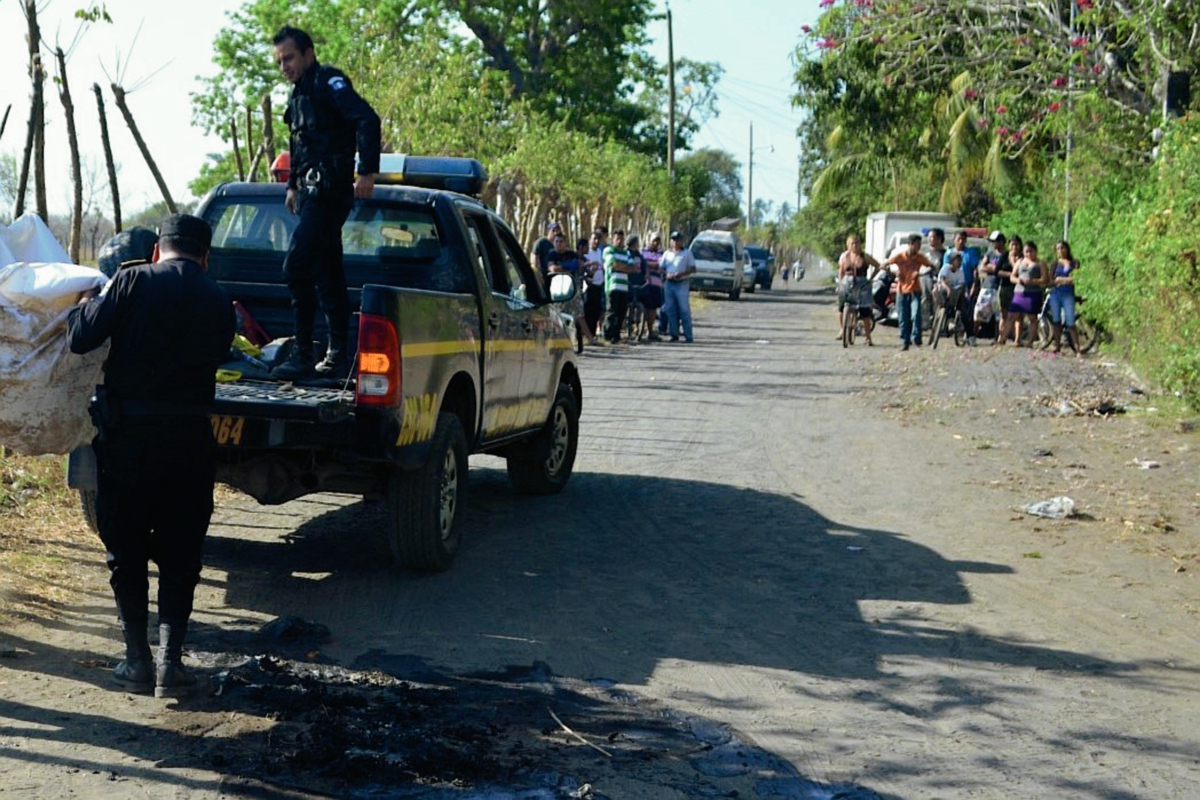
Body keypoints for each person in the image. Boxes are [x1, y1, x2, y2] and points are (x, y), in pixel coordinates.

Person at [67, 214, 236, 698]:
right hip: (189, 442)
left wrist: (85, 303)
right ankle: (170, 664)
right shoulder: (219, 299)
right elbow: (219, 353)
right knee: (182, 552)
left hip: (129, 441)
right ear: (205, 257)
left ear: (158, 250)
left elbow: (80, 338)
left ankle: (137, 662)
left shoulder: (132, 280)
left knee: (126, 549)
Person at [271, 26, 381, 380]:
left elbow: (367, 118)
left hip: (331, 191)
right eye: (279, 61)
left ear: (309, 54)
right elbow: (300, 144)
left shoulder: (329, 82)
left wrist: (366, 171)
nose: (284, 66)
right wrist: (292, 185)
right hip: (308, 193)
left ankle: (303, 353)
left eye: (289, 58)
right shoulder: (298, 94)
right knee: (326, 272)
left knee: (296, 266)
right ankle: (337, 355)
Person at [885, 233, 936, 350]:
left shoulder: (920, 257)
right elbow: (884, 265)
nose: (918, 247)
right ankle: (905, 341)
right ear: (910, 244)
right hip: (901, 290)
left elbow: (931, 266)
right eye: (917, 244)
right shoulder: (900, 256)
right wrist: (895, 273)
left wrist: (921, 273)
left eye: (920, 245)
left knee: (916, 314)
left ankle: (916, 339)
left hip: (915, 290)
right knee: (903, 317)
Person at [546, 230, 589, 352]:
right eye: (557, 241)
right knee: (557, 316)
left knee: (578, 314)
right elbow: (553, 268)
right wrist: (570, 267)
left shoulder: (572, 254)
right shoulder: (551, 254)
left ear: (566, 243)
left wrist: (565, 267)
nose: (559, 244)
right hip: (557, 289)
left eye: (561, 241)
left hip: (573, 288)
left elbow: (580, 265)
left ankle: (584, 339)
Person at [836, 234, 880, 345]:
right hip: (847, 284)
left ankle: (868, 337)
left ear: (860, 244)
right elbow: (841, 271)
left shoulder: (865, 256)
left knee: (865, 312)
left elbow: (877, 266)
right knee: (842, 307)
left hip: (862, 285)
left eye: (857, 243)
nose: (855, 245)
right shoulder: (845, 257)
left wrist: (871, 278)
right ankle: (842, 329)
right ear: (848, 245)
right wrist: (840, 284)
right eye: (852, 243)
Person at [944, 231, 981, 346]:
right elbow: (945, 270)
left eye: (963, 239)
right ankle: (948, 323)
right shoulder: (948, 253)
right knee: (946, 302)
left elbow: (975, 270)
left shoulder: (970, 253)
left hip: (965, 285)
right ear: (954, 240)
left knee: (965, 310)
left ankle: (970, 335)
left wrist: (974, 285)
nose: (961, 241)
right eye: (958, 239)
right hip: (950, 284)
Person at [601, 229, 637, 344]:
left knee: (622, 312)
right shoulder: (608, 250)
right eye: (617, 239)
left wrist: (622, 267)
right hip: (612, 286)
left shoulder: (626, 253)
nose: (619, 241)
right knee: (611, 311)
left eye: (621, 239)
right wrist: (624, 267)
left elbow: (634, 268)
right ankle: (607, 335)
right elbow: (614, 265)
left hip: (624, 287)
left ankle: (616, 336)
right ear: (613, 239)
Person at [1047, 240, 1082, 356]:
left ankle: (1077, 349)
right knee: (1056, 320)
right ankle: (1057, 346)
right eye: (1058, 249)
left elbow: (1077, 278)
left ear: (1067, 249)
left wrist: (1061, 280)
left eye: (1062, 248)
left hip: (1068, 294)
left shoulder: (1074, 263)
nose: (1060, 251)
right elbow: (1050, 280)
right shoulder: (1055, 264)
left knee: (1070, 321)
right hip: (1056, 294)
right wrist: (1062, 281)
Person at [1008, 240, 1046, 346]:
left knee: (1032, 317)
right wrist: (1018, 280)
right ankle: (1015, 339)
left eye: (1031, 251)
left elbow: (1045, 279)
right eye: (1026, 252)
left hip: (1033, 292)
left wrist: (1033, 281)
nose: (1029, 254)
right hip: (1020, 291)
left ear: (1035, 251)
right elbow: (1012, 276)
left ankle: (1030, 341)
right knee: (1015, 316)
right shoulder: (1020, 261)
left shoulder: (1040, 263)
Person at [661, 230, 696, 343]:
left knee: (684, 310)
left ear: (681, 241)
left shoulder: (687, 253)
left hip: (682, 283)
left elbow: (693, 269)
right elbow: (661, 267)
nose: (675, 242)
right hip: (669, 283)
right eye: (673, 240)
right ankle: (674, 334)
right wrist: (666, 274)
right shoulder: (667, 254)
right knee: (670, 309)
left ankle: (688, 335)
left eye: (678, 240)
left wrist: (681, 274)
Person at [979, 231, 1010, 343]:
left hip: (1001, 285)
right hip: (988, 285)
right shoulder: (990, 253)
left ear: (1001, 241)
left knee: (999, 313)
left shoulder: (1007, 255)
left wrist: (993, 269)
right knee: (980, 311)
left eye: (994, 241)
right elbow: (982, 267)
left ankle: (999, 337)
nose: (992, 244)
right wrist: (994, 268)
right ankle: (973, 334)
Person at [922, 228, 947, 334]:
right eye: (929, 237)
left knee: (938, 302)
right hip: (924, 278)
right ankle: (924, 324)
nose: (930, 239)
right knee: (924, 300)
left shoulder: (945, 253)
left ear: (939, 239)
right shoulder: (925, 252)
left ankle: (939, 326)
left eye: (932, 237)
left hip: (939, 280)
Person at [640, 234, 665, 341]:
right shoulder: (642, 252)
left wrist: (648, 264)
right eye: (654, 240)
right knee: (641, 307)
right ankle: (638, 329)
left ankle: (650, 331)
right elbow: (641, 264)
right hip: (644, 284)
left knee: (653, 308)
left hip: (656, 284)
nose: (656, 243)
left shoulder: (662, 254)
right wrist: (653, 265)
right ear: (649, 240)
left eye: (658, 241)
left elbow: (662, 266)